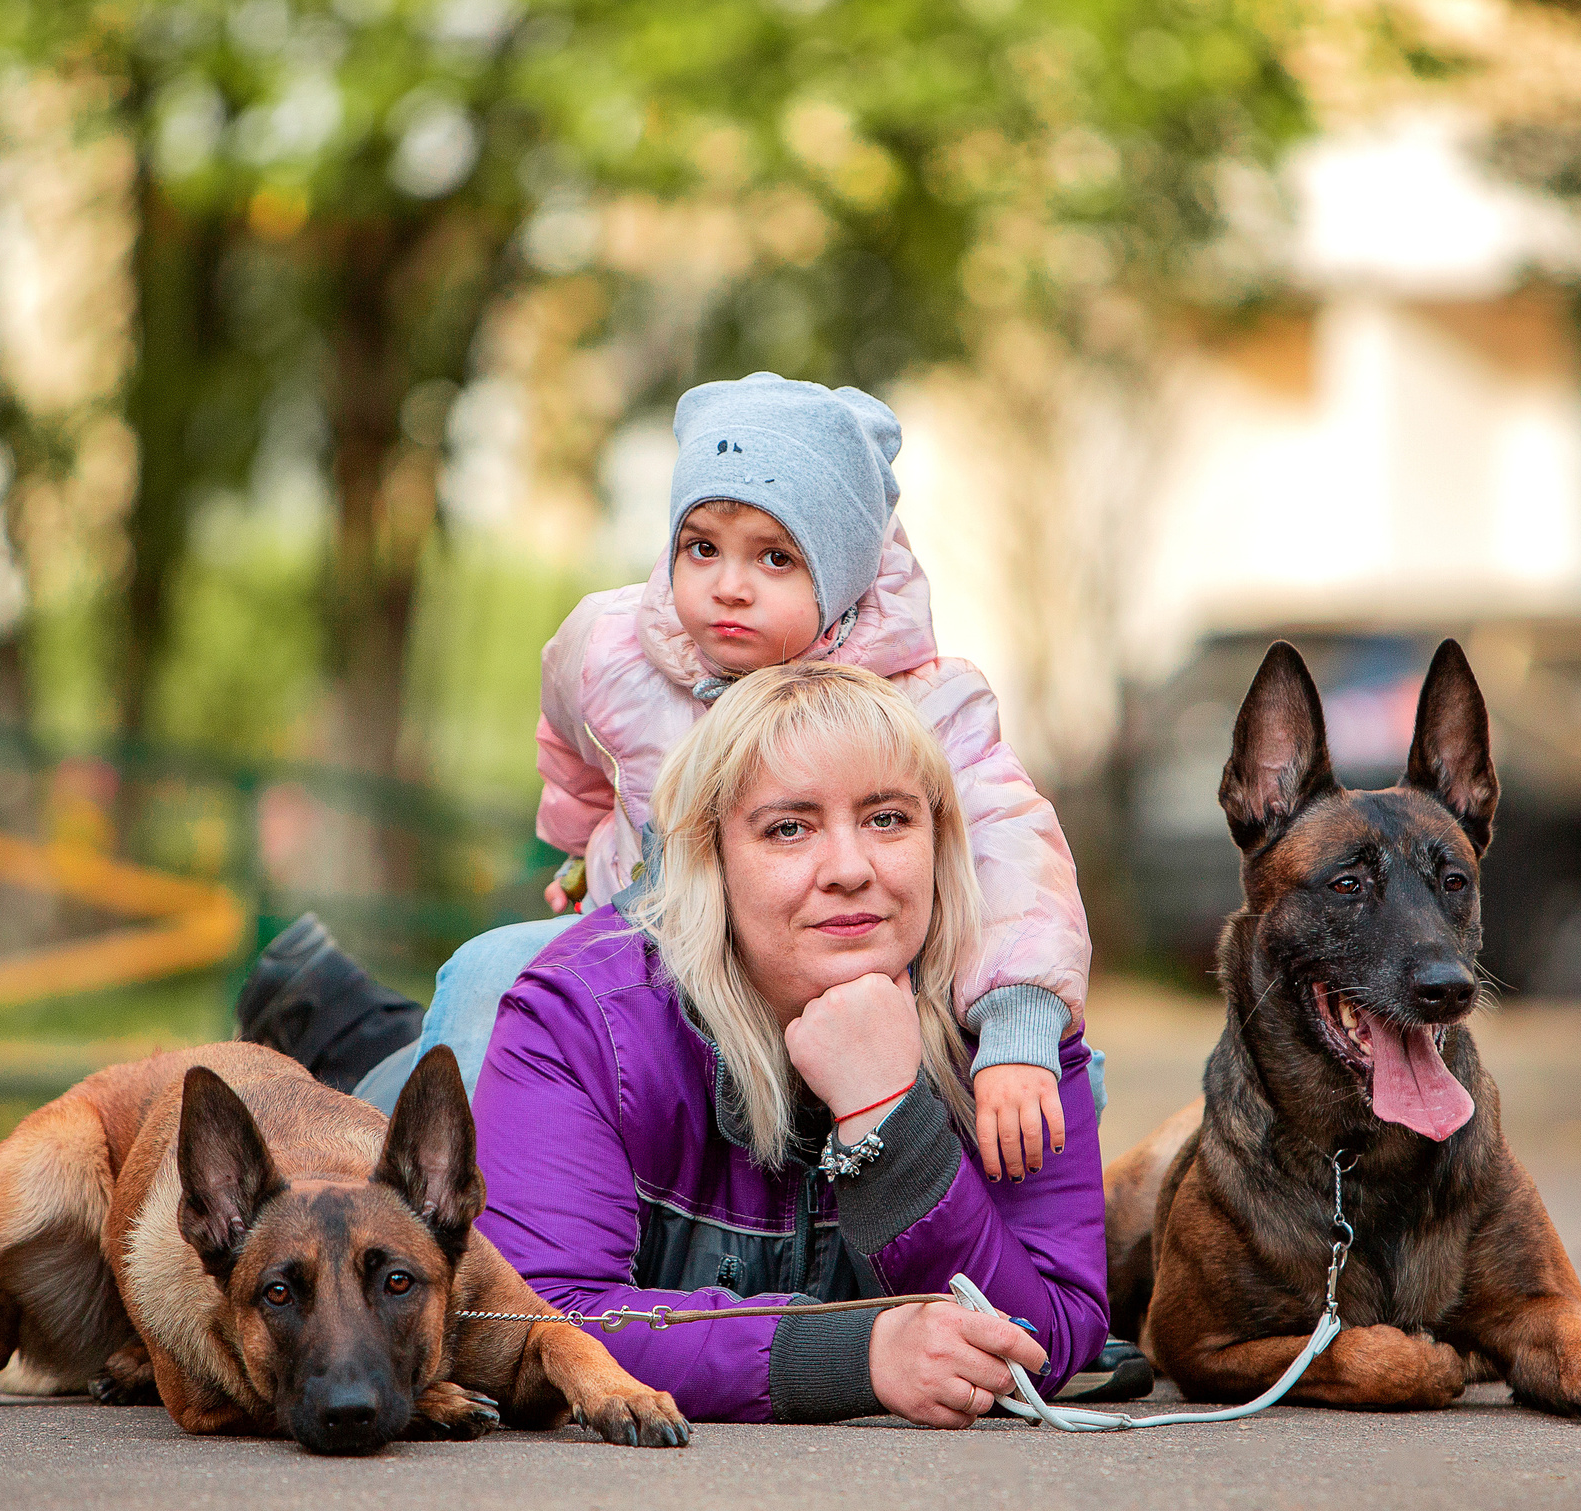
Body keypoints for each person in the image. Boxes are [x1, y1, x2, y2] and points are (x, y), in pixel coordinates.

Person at [242, 372, 1093, 1184]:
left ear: (840, 572)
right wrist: (582, 846)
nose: (729, 587)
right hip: (643, 956)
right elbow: (574, 744)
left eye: (775, 559)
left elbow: (1013, 848)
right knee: (488, 976)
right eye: (702, 547)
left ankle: (337, 1017)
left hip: (812, 960)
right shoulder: (614, 651)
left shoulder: (917, 702)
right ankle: (420, 1181)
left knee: (1054, 1075)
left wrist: (1019, 1017)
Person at [483, 660, 1105, 1422]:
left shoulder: (1010, 1022)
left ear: (940, 839)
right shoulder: (579, 1023)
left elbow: (1052, 1336)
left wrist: (890, 1118)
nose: (849, 868)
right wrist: (857, 1354)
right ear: (711, 857)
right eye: (789, 828)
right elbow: (534, 1319)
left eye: (887, 819)